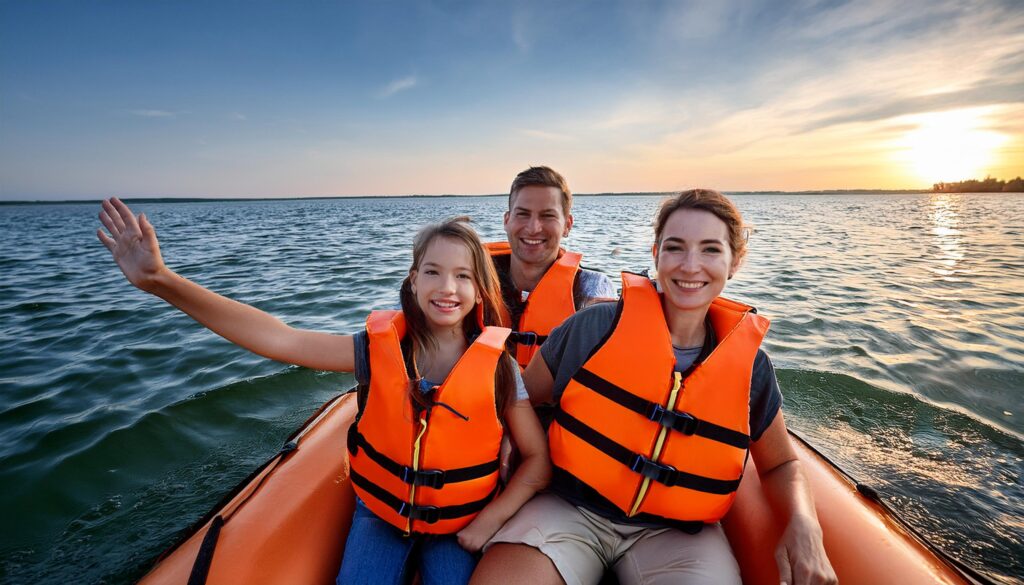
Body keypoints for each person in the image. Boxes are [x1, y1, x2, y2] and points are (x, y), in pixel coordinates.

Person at [96, 198, 550, 585]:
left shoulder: (500, 369)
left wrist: (489, 522)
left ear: (480, 288)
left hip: (462, 521)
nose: (447, 287)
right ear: (413, 280)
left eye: (464, 276)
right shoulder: (375, 352)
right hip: (379, 512)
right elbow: (280, 338)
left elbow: (536, 461)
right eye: (432, 271)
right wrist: (161, 280)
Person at [472, 189, 837, 585]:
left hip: (680, 534)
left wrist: (805, 523)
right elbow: (522, 401)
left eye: (710, 250)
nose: (690, 265)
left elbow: (781, 463)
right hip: (566, 508)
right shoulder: (592, 329)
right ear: (656, 254)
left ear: (734, 262)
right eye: (675, 247)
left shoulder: (753, 369)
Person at [488, 166, 616, 368]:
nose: (533, 228)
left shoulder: (592, 287)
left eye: (547, 216)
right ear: (507, 220)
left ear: (567, 225)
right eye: (522, 214)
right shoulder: (471, 278)